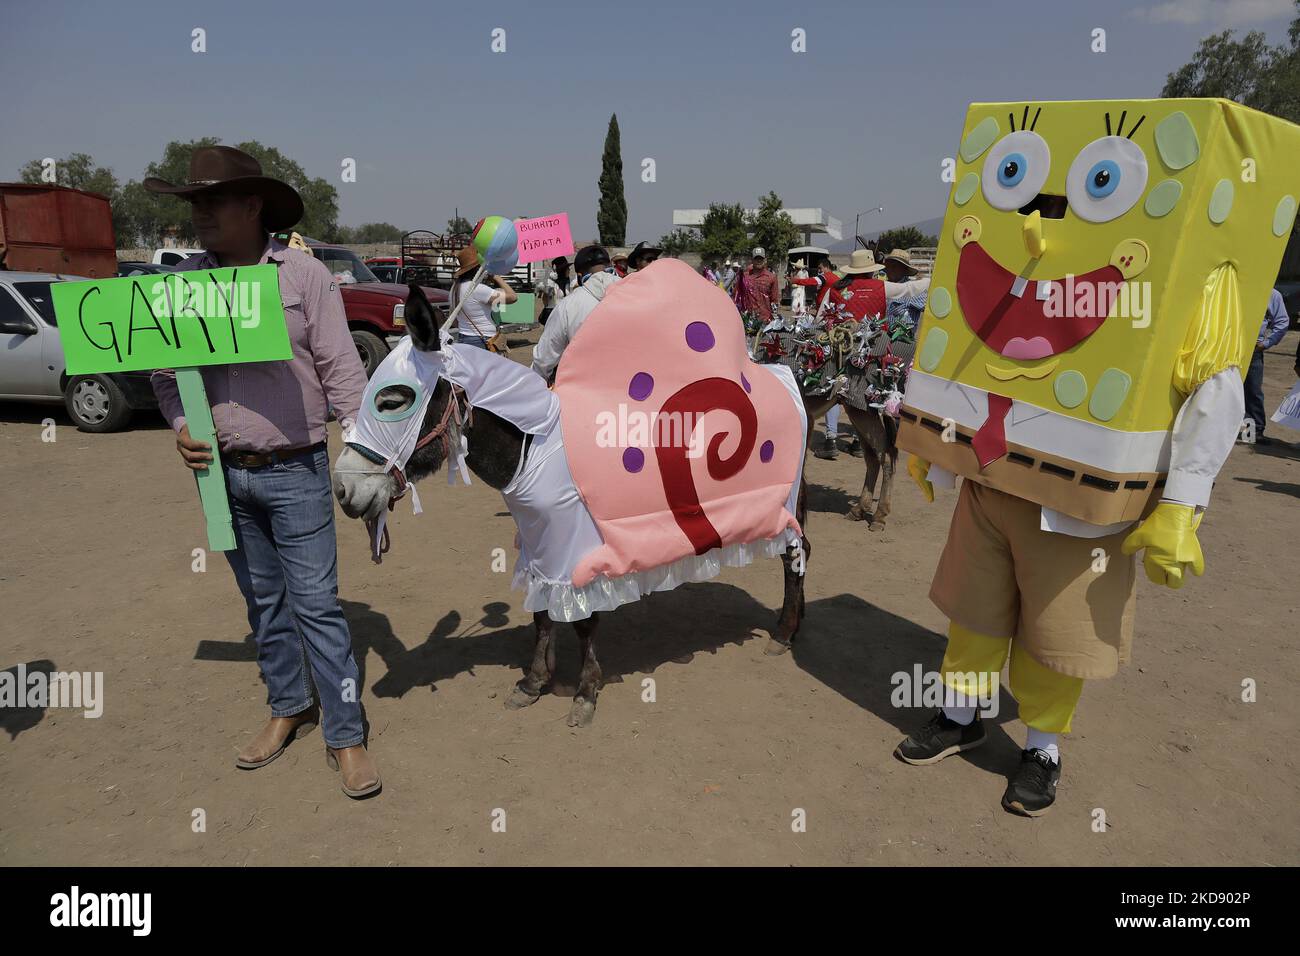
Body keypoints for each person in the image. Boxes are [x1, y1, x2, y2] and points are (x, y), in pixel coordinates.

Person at [146, 145, 380, 799]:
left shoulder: (304, 277)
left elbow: (344, 376)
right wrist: (181, 425)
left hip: (298, 470)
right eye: (191, 203)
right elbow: (165, 377)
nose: (199, 215)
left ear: (253, 206)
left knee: (317, 610)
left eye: (211, 201)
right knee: (265, 606)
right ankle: (290, 705)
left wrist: (366, 463)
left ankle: (346, 733)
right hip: (220, 476)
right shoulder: (183, 284)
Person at [530, 244, 620, 382]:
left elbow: (544, 359)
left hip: (585, 388)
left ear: (579, 276)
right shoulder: (635, 293)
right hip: (629, 391)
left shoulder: (568, 306)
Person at [1244, 287, 1290, 445]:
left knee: (1252, 391)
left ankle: (1251, 433)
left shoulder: (1271, 293)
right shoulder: (1232, 285)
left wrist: (1266, 343)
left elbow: (1282, 321)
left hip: (1252, 350)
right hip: (1225, 347)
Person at [449, 244, 517, 349]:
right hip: (482, 339)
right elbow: (512, 297)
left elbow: (453, 319)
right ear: (477, 268)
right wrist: (496, 277)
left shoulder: (454, 289)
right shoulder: (478, 289)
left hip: (463, 337)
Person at [880, 248, 930, 332]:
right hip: (882, 341)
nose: (891, 269)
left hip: (902, 342)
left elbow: (931, 308)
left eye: (895, 266)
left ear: (904, 269)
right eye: (889, 266)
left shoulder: (913, 290)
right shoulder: (883, 287)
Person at [734, 247, 780, 330]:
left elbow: (774, 300)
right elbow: (737, 297)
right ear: (752, 260)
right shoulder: (744, 277)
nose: (759, 261)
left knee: (763, 343)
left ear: (765, 260)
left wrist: (774, 321)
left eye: (761, 258)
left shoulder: (771, 277)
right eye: (756, 258)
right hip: (747, 320)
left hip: (765, 322)